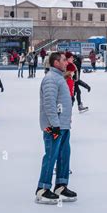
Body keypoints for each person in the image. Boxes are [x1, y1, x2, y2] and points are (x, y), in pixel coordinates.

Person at [36, 52, 77, 204]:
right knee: (52, 155)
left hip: (63, 125)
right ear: (55, 63)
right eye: (64, 60)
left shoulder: (60, 78)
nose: (67, 62)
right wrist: (55, 125)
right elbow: (49, 104)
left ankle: (60, 185)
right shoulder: (51, 79)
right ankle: (43, 189)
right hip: (54, 126)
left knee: (64, 155)